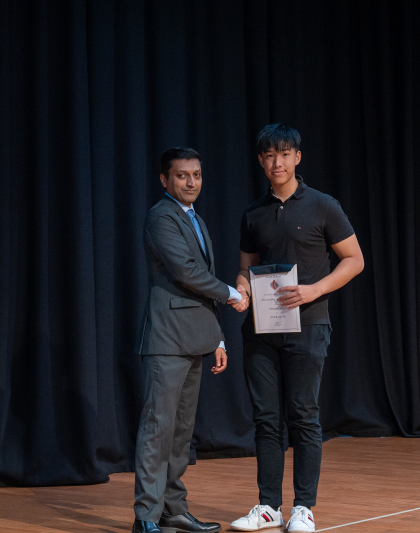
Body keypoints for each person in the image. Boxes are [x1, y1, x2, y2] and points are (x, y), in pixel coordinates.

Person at [229, 124, 364, 532]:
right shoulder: (253, 212)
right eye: (270, 155)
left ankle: (303, 507)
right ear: (261, 161)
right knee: (266, 419)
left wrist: (313, 290)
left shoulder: (323, 205)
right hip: (260, 330)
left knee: (303, 415)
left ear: (297, 157)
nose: (278, 162)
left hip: (308, 325)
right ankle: (269, 506)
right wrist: (241, 288)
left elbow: (354, 259)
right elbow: (246, 269)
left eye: (285, 154)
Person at [133, 147, 246, 533]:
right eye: (182, 175)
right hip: (167, 340)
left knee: (180, 433)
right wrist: (231, 293)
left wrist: (218, 339)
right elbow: (186, 273)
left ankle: (173, 510)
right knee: (158, 429)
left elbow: (199, 288)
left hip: (195, 339)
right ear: (164, 179)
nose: (191, 182)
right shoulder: (160, 217)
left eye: (196, 175)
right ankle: (146, 517)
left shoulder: (194, 218)